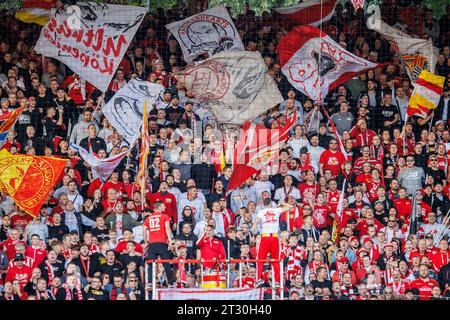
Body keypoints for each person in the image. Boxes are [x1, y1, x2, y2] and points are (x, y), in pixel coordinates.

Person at [252, 199, 292, 288]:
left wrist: (253, 232)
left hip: (265, 237)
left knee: (260, 259)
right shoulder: (276, 210)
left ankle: (258, 279)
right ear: (271, 203)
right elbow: (290, 206)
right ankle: (277, 281)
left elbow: (255, 224)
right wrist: (282, 203)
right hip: (274, 237)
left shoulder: (261, 211)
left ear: (262, 204)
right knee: (275, 260)